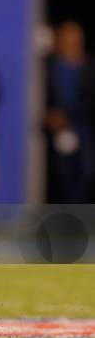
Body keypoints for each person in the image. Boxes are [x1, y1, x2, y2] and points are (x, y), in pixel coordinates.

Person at [44, 21, 95, 203]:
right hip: (58, 125)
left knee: (85, 171)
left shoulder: (88, 66)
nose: (69, 41)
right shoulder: (50, 66)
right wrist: (52, 115)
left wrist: (71, 117)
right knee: (61, 172)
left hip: (81, 124)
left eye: (73, 37)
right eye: (65, 36)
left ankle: (78, 214)